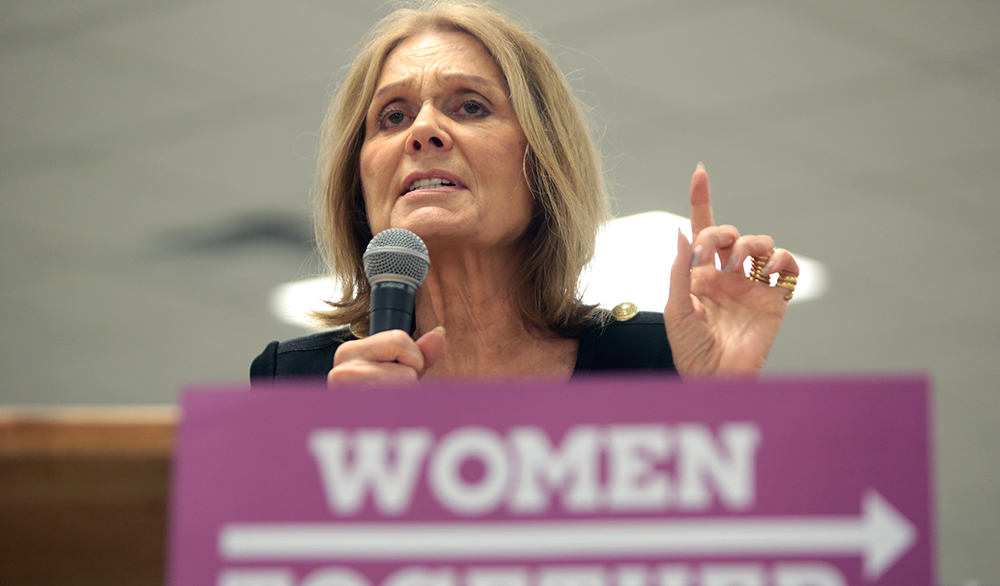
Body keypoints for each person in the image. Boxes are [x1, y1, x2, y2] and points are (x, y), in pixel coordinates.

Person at [250, 0, 798, 385]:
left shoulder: (658, 361)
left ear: (543, 162)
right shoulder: (299, 384)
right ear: (359, 181)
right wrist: (341, 446)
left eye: (471, 106)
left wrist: (722, 408)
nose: (423, 129)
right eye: (392, 116)